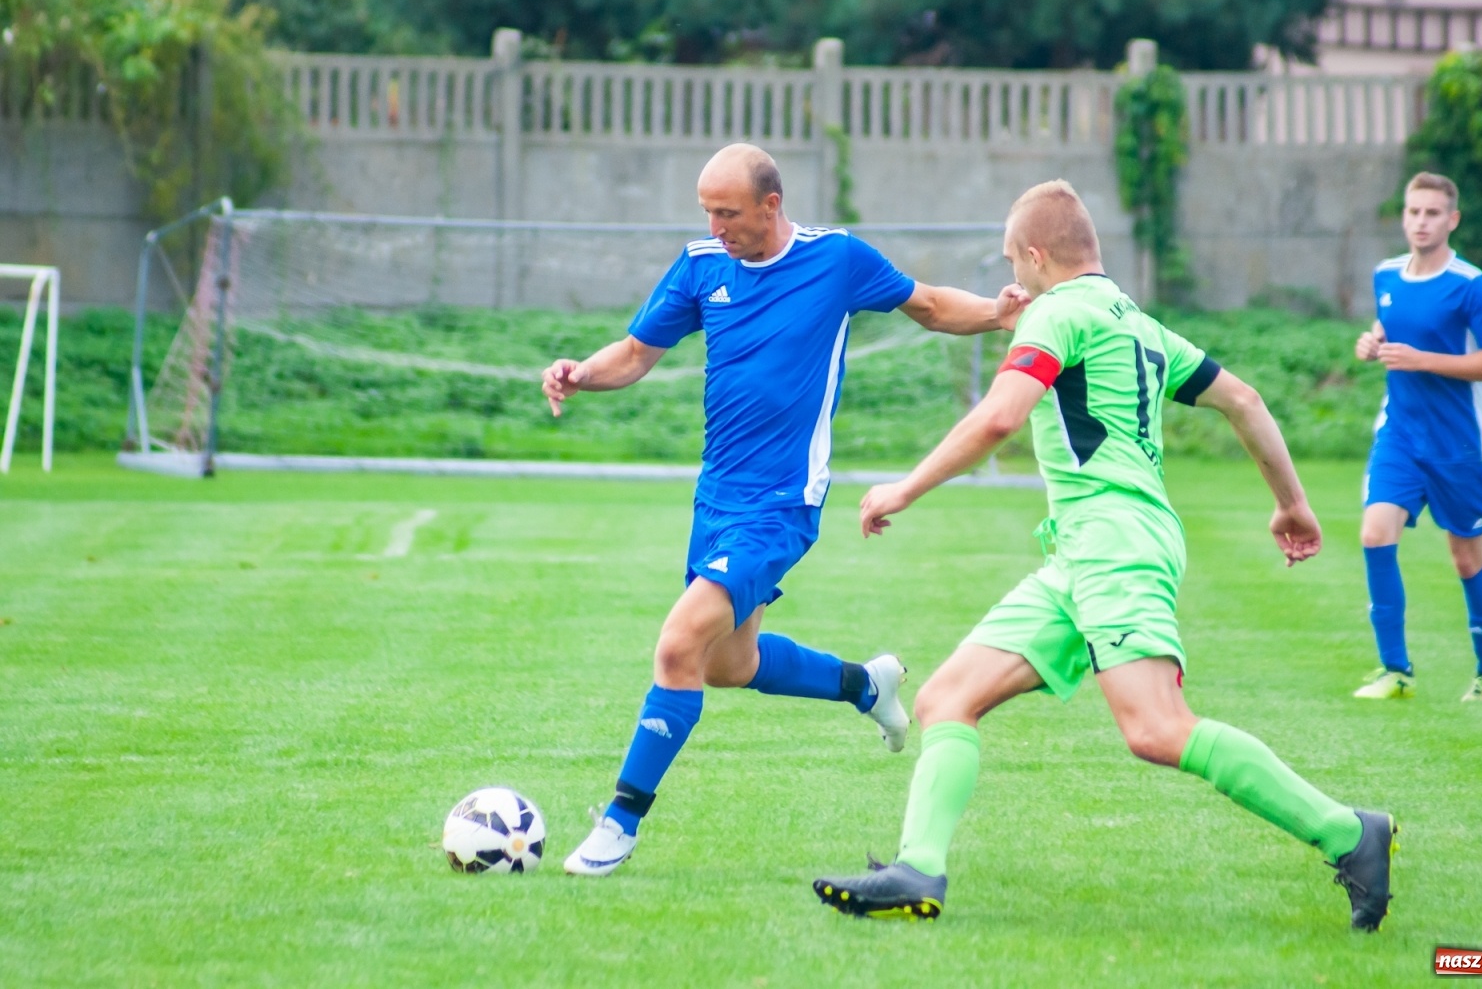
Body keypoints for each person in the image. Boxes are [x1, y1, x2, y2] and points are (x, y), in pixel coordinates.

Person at [812, 180, 1396, 931]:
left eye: (1012, 265)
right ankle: (917, 871)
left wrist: (906, 487)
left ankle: (1350, 833)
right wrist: (1292, 502)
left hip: (1116, 544)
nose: (1012, 282)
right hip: (1082, 551)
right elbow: (1244, 400)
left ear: (1033, 254)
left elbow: (1000, 417)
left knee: (1156, 729)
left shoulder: (1057, 312)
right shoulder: (1138, 322)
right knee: (945, 699)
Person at [541, 143, 1031, 876]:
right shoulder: (702, 265)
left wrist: (997, 314)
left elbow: (926, 304)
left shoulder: (835, 260)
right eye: (707, 210)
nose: (716, 225)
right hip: (717, 499)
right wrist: (581, 374)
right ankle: (865, 684)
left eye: (728, 212)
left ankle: (620, 823)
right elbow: (638, 353)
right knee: (728, 665)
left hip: (781, 504)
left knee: (678, 647)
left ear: (771, 206)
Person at [1351, 172, 1482, 702]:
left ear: (1452, 220)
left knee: (1466, 558)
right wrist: (1373, 340)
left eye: (1432, 213)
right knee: (1376, 533)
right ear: (1403, 215)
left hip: (1459, 444)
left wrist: (1424, 361)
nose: (1421, 222)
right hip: (1399, 432)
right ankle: (1395, 670)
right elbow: (1392, 324)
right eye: (1413, 211)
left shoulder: (1471, 286)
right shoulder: (1385, 275)